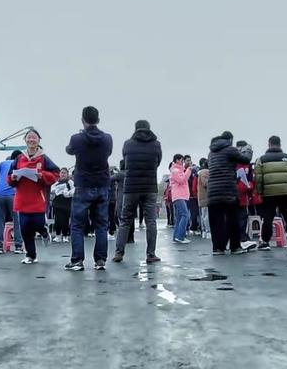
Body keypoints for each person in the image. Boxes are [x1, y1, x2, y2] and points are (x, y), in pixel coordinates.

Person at [65, 106, 113, 271]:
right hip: (102, 184)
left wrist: (81, 134)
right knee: (101, 225)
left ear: (83, 120)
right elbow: (109, 152)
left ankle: (77, 260)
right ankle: (100, 261)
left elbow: (69, 150)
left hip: (83, 184)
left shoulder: (77, 139)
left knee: (77, 225)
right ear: (98, 120)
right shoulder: (108, 139)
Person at [113, 120, 162, 263]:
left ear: (135, 129)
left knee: (125, 221)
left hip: (131, 187)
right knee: (151, 221)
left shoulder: (128, 144)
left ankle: (119, 253)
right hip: (149, 186)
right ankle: (151, 254)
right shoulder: (156, 144)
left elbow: (126, 161)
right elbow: (158, 162)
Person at [7, 129, 59, 264]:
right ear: (25, 140)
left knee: (38, 223)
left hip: (38, 199)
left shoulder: (44, 158)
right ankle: (31, 255)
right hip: (22, 199)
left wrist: (42, 175)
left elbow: (56, 174)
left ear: (38, 140)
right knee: (25, 228)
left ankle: (44, 232)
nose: (31, 140)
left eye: (34, 137)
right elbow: (9, 178)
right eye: (29, 137)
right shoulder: (19, 158)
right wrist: (13, 177)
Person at [207, 131, 252, 255]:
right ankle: (235, 247)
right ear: (231, 140)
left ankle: (218, 248)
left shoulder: (211, 153)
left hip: (212, 192)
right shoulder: (230, 150)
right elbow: (246, 160)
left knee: (216, 222)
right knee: (233, 219)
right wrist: (248, 149)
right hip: (228, 191)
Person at [255, 136, 287, 250]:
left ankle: (265, 242)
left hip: (269, 193)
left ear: (269, 144)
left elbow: (258, 178)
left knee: (268, 218)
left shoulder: (261, 159)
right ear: (280, 144)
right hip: (286, 192)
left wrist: (260, 192)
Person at [0, 150, 23, 254]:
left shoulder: (1, 164)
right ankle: (18, 246)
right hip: (13, 194)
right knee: (17, 221)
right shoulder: (19, 164)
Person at [169, 154, 192, 244]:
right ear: (177, 160)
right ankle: (180, 236)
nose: (183, 162)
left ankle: (176, 236)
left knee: (179, 217)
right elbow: (182, 180)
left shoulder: (179, 170)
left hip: (181, 196)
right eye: (182, 160)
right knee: (185, 215)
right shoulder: (175, 170)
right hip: (179, 196)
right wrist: (189, 170)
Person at [51, 168, 75, 243]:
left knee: (65, 220)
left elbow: (74, 190)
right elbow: (52, 189)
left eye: (64, 173)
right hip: (57, 203)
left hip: (66, 203)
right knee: (57, 220)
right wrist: (56, 190)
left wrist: (68, 193)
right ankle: (58, 235)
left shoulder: (70, 182)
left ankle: (65, 236)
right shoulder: (57, 182)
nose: (63, 174)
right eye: (62, 173)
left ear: (67, 174)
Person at [184, 155, 200, 234]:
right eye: (187, 160)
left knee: (194, 213)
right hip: (185, 195)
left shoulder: (194, 171)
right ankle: (186, 228)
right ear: (184, 161)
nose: (189, 162)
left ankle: (194, 228)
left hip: (193, 195)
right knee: (185, 213)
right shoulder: (183, 171)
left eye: (190, 160)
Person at [197, 158, 210, 239]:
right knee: (206, 216)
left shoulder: (200, 172)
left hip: (201, 197)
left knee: (203, 215)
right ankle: (207, 231)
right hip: (206, 197)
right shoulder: (205, 172)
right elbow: (205, 183)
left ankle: (204, 231)